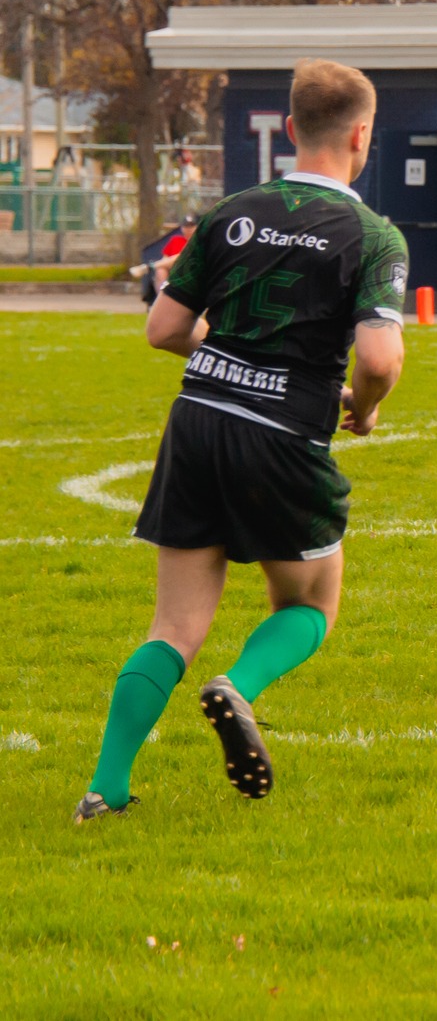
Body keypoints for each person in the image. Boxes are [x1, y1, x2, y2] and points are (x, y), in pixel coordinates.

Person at [75, 59, 408, 823]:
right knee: (312, 601)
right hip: (283, 432)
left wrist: (225, 356)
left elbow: (162, 328)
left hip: (196, 419)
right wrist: (366, 403)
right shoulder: (373, 234)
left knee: (174, 624)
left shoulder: (230, 212)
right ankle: (238, 687)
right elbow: (381, 357)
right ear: (363, 135)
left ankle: (105, 789)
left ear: (290, 130)